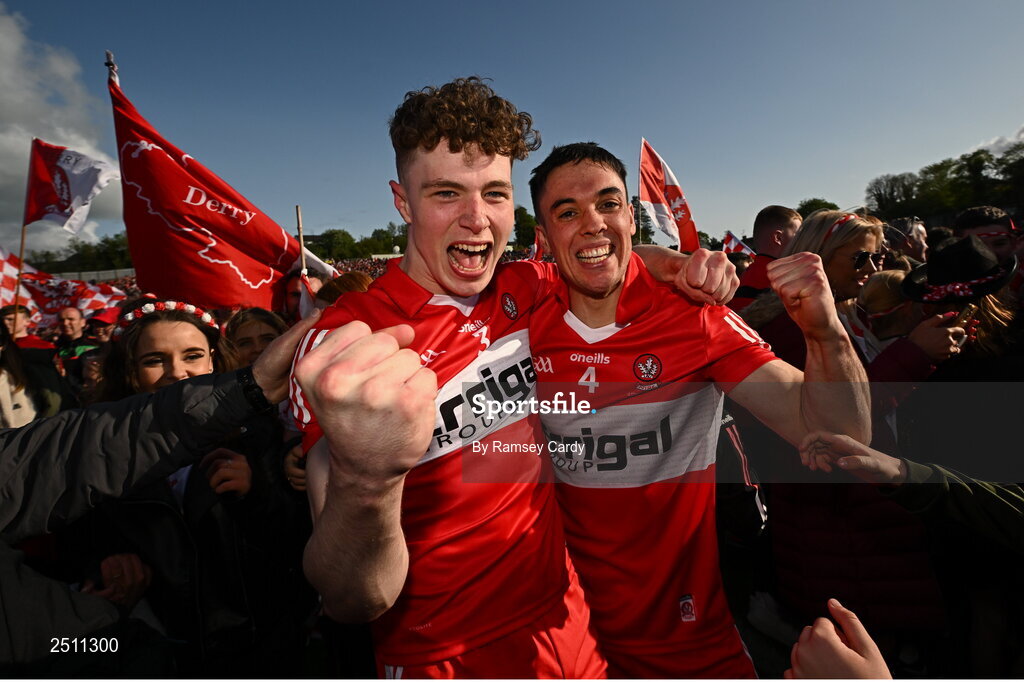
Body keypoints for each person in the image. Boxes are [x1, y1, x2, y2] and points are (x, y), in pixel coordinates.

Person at [292, 76, 736, 678]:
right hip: (444, 651)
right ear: (402, 202)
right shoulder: (349, 342)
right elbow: (350, 599)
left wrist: (681, 265)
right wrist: (366, 478)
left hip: (568, 617)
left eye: (495, 194)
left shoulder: (523, 286)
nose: (477, 221)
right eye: (447, 193)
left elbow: (616, 259)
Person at [524, 142, 870, 678]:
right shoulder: (519, 324)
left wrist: (824, 332)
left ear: (629, 218)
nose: (592, 224)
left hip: (686, 639)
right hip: (557, 637)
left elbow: (842, 434)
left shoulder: (695, 317)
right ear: (544, 239)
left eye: (608, 204)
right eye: (568, 212)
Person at [0, 310, 320, 669]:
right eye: (155, 360)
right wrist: (105, 569)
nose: (177, 372)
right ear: (131, 373)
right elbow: (71, 545)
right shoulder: (98, 454)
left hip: (257, 650)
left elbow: (303, 547)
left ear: (214, 360)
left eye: (192, 356)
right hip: (153, 649)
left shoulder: (267, 436)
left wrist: (258, 493)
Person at [729, 205, 801, 311]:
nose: (802, 240)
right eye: (798, 235)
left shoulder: (737, 279)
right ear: (778, 237)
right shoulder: (788, 281)